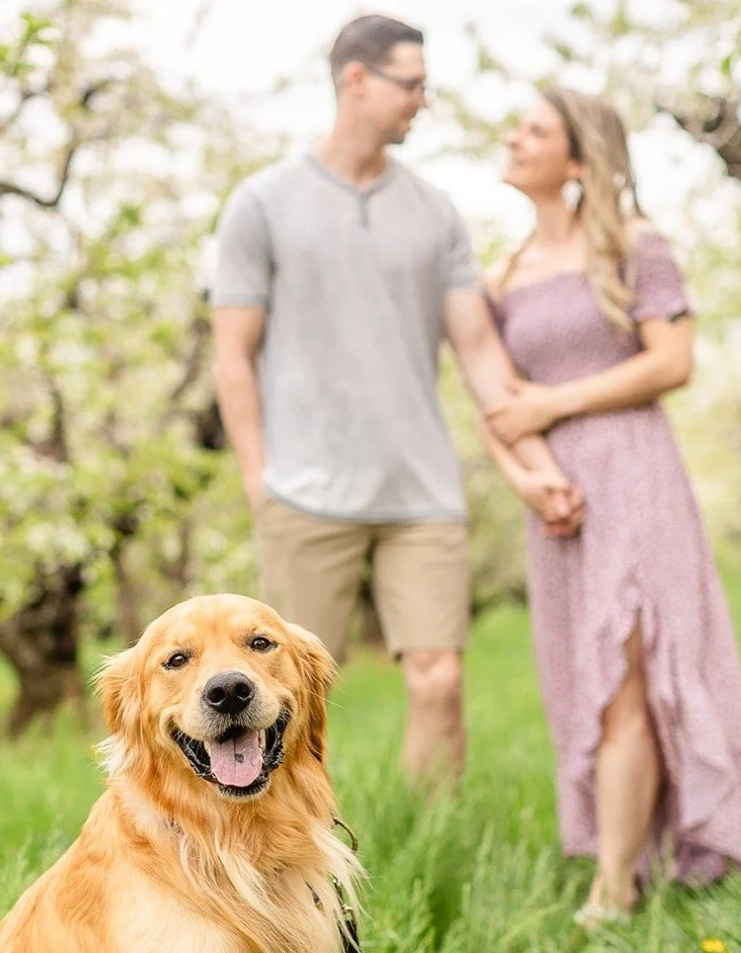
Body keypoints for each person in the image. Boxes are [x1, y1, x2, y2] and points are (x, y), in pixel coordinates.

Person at [210, 14, 583, 782]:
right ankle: (302, 869)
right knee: (287, 704)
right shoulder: (262, 204)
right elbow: (233, 356)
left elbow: (478, 348)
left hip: (421, 491)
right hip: (305, 495)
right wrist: (259, 477)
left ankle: (428, 845)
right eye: (411, 85)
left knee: (439, 680)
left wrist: (533, 456)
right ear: (357, 80)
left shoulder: (436, 211)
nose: (422, 101)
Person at [482, 88, 741, 925]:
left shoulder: (634, 246)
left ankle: (613, 886)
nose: (515, 138)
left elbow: (673, 362)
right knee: (591, 674)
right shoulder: (499, 277)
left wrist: (556, 405)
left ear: (578, 160)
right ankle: (643, 850)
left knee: (630, 664)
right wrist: (530, 479)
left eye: (536, 130)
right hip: (558, 498)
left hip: (635, 476)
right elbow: (496, 407)